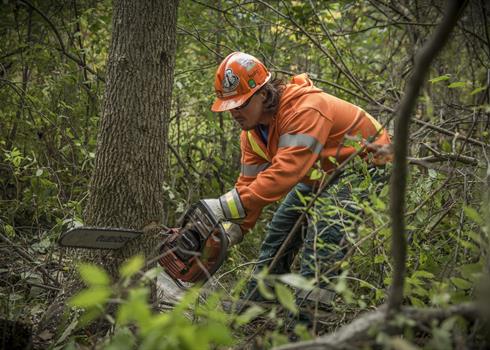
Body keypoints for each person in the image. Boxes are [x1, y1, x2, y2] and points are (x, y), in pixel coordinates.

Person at [200, 52, 392, 311]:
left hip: (366, 163)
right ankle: (257, 303)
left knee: (327, 227)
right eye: (229, 106)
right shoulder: (251, 136)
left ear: (264, 95)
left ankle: (311, 316)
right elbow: (249, 185)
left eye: (241, 104)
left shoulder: (305, 108)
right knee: (280, 229)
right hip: (320, 172)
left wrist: (221, 206)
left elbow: (284, 174)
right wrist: (234, 228)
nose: (234, 112)